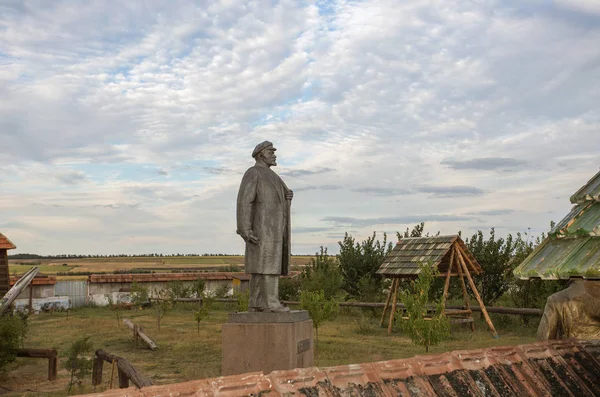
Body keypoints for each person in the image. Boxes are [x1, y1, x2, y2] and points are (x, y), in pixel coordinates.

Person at [236, 141, 293, 312]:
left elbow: (276, 201)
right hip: (262, 229)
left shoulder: (272, 175)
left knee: (264, 265)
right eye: (271, 152)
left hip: (274, 228)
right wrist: (245, 229)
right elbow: (244, 201)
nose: (274, 155)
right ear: (261, 155)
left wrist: (287, 197)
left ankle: (257, 301)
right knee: (266, 265)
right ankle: (271, 302)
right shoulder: (253, 173)